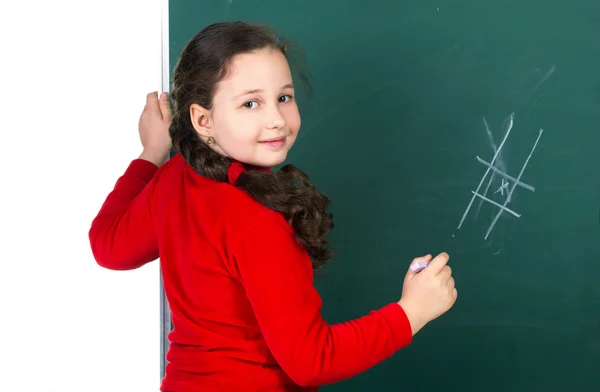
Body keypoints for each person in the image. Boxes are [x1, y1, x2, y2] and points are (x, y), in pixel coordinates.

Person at [89, 21, 457, 391]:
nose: (276, 119)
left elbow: (108, 246)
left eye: (284, 97)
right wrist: (411, 312)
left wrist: (151, 154)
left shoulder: (172, 181)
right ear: (203, 120)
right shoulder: (258, 219)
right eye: (251, 103)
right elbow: (312, 361)